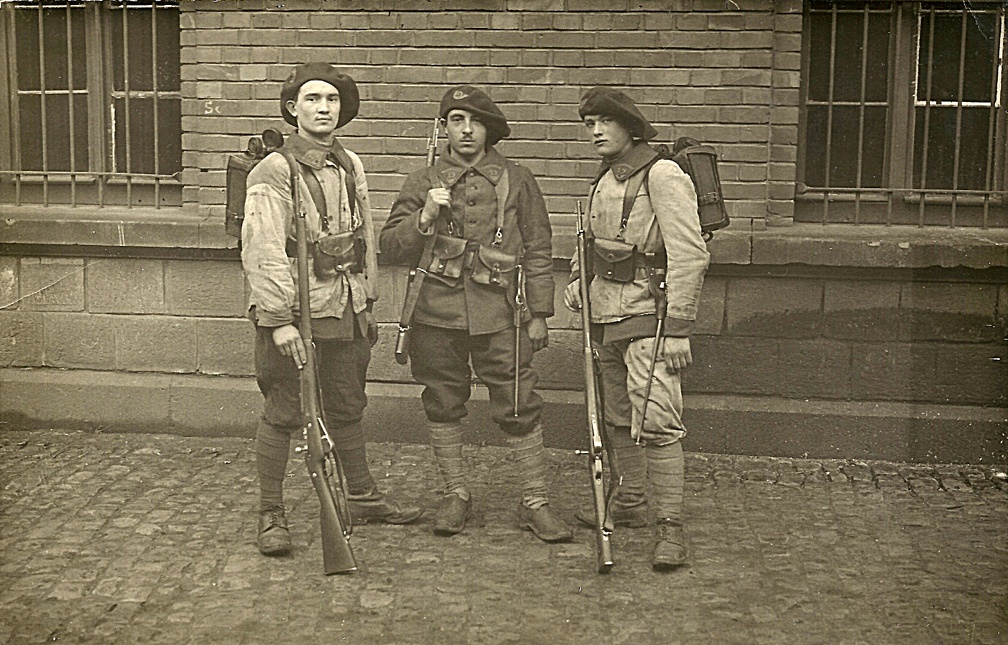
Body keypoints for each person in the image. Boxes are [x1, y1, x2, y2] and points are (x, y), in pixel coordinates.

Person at [242, 63, 422, 556]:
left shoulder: (350, 164)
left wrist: (368, 301)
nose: (324, 108)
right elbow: (263, 249)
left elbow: (365, 238)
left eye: (332, 100)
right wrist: (278, 321)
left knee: (346, 403)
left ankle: (362, 495)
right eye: (313, 99)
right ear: (292, 109)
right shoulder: (273, 170)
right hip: (296, 315)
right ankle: (270, 513)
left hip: (345, 308)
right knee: (285, 409)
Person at [380, 85, 572, 543]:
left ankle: (535, 501)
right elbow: (389, 246)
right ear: (443, 127)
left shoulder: (518, 180)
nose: (466, 131)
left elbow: (540, 248)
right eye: (456, 121)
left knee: (520, 403)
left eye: (475, 122)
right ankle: (455, 493)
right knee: (443, 401)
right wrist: (424, 216)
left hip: (502, 313)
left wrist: (540, 312)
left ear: (490, 129)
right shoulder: (422, 181)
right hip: (435, 312)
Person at [564, 87, 709, 570]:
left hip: (651, 317)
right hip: (605, 318)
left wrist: (679, 328)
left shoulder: (662, 174)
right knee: (616, 415)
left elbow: (690, 252)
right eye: (589, 125)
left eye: (605, 122)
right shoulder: (604, 178)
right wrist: (577, 280)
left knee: (658, 420)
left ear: (631, 127)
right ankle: (629, 503)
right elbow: (592, 241)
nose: (596, 132)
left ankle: (670, 527)